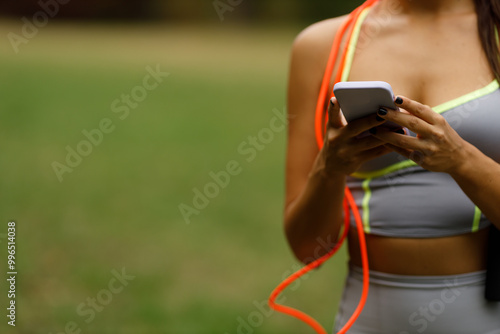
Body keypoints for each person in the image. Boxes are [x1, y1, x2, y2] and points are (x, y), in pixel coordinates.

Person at [284, 0, 500, 332]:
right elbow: (307, 248)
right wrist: (330, 169)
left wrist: (461, 160)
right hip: (368, 318)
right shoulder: (324, 44)